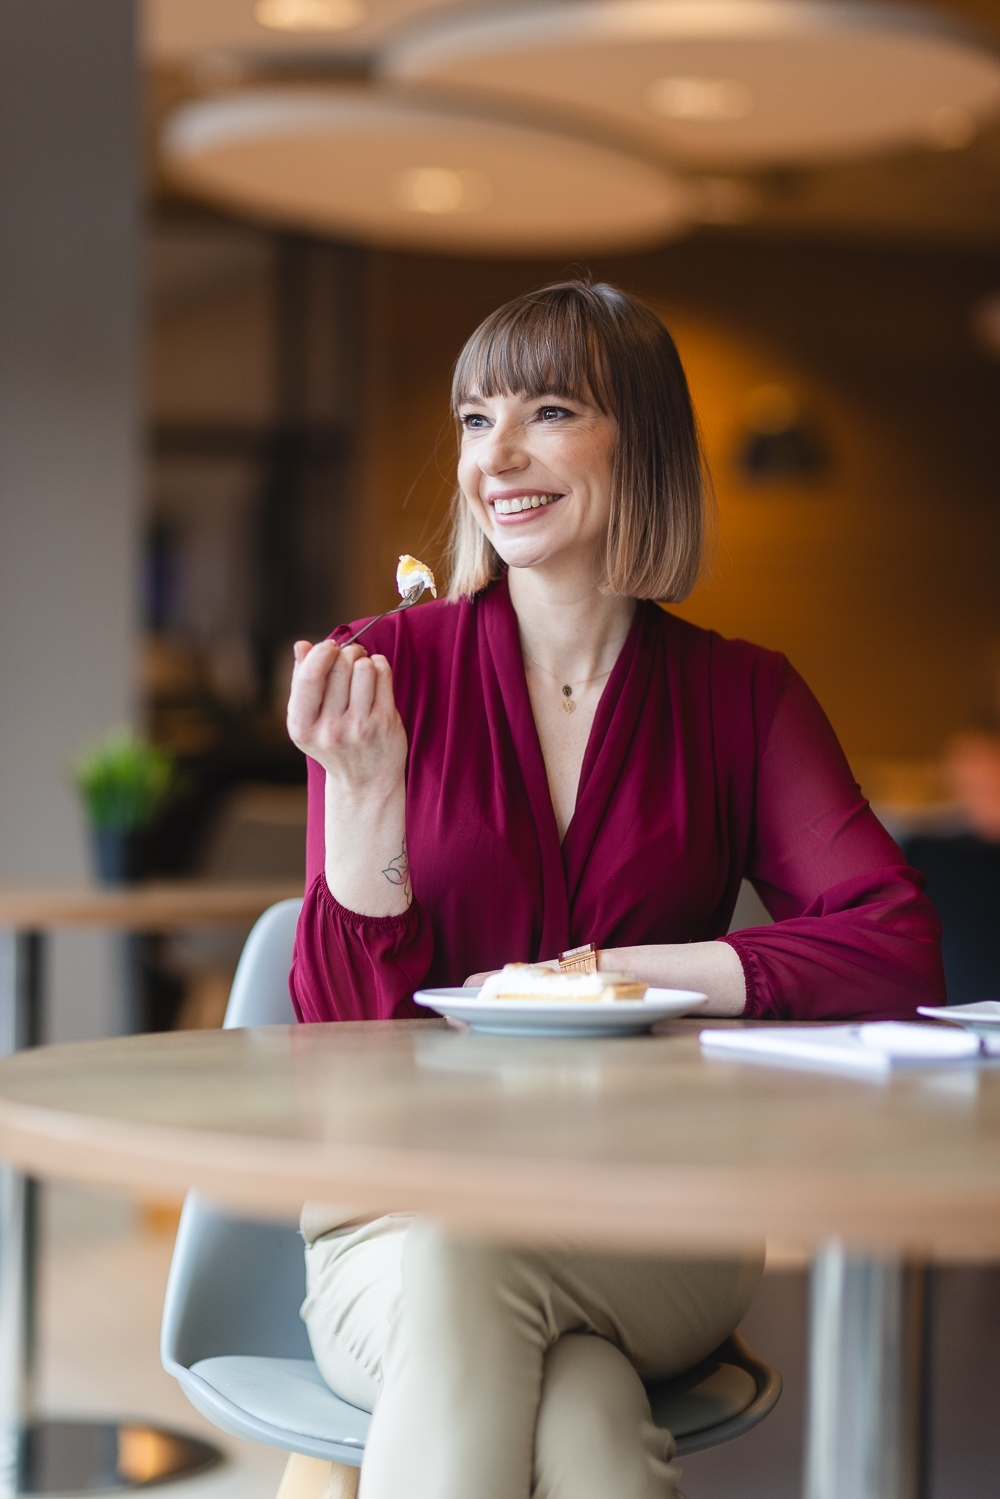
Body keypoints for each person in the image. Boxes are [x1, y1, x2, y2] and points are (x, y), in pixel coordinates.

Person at [285, 281, 945, 1499]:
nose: (501, 455)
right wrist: (366, 793)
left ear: (636, 440)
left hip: (654, 1217)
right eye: (477, 419)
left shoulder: (743, 697)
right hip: (395, 1212)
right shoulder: (385, 670)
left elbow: (897, 947)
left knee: (488, 1273)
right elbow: (342, 1045)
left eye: (548, 409)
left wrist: (632, 974)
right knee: (584, 1420)